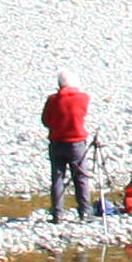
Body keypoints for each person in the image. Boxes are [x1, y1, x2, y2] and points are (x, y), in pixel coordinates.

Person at [41, 76, 96, 219]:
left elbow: (46, 121)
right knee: (80, 177)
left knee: (57, 178)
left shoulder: (52, 100)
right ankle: (84, 211)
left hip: (56, 143)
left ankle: (58, 213)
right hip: (76, 143)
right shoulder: (83, 98)